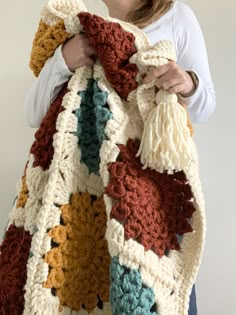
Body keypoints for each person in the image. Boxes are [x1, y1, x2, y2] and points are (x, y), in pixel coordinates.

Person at [24, 1, 216, 314]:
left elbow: (205, 105)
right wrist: (63, 60)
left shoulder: (176, 16)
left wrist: (188, 84)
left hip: (157, 197)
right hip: (88, 195)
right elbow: (33, 112)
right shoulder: (78, 27)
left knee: (163, 297)